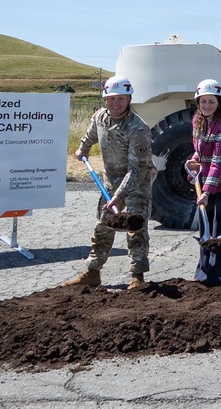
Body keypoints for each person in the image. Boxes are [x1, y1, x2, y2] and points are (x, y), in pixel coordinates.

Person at [65, 75, 156, 290]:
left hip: (136, 185)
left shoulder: (137, 128)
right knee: (103, 227)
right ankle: (93, 272)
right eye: (111, 98)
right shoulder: (100, 118)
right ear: (105, 99)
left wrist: (120, 194)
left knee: (136, 229)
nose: (115, 103)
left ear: (129, 100)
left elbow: (138, 169)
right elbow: (90, 135)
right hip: (110, 183)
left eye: (121, 99)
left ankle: (138, 277)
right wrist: (83, 148)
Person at [185, 78, 221, 285]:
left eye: (211, 101)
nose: (207, 105)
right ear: (198, 102)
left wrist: (206, 193)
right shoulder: (197, 120)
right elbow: (199, 151)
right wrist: (193, 161)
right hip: (207, 179)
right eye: (203, 101)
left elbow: (218, 163)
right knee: (205, 225)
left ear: (219, 102)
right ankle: (203, 272)